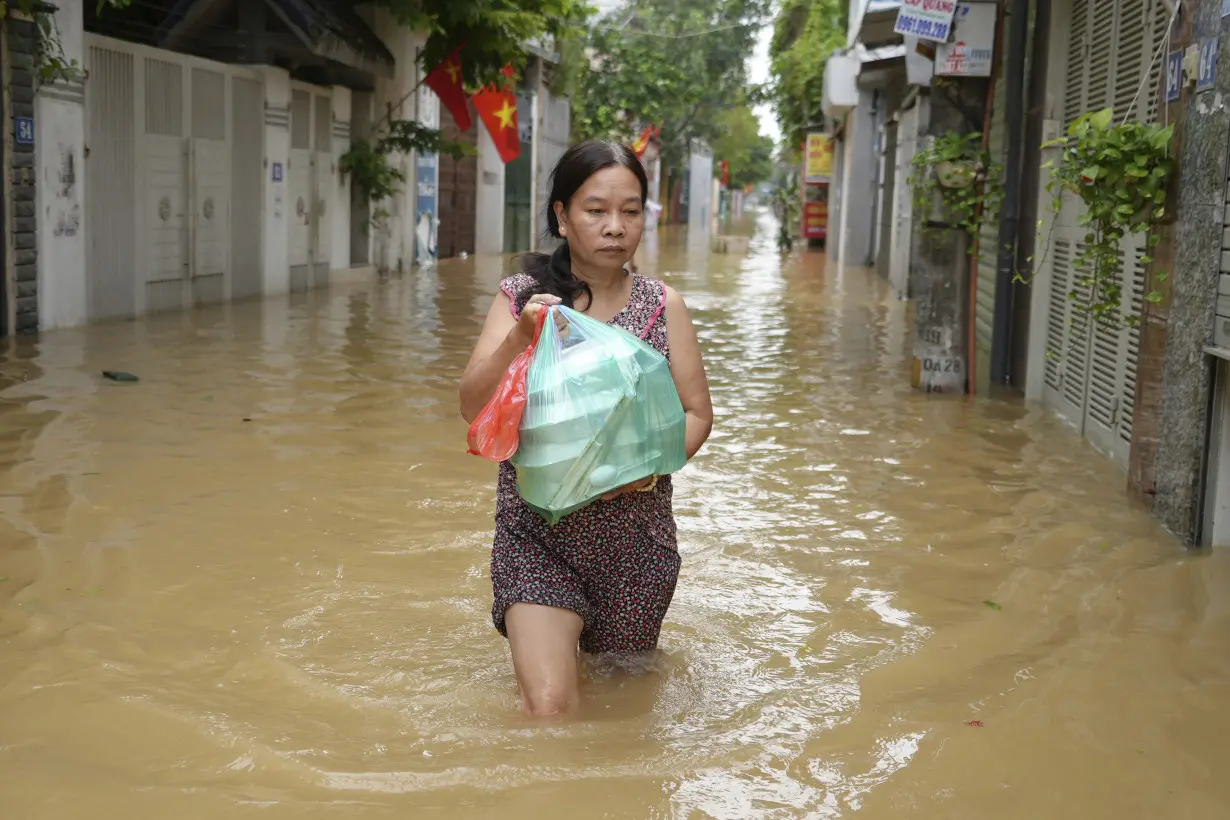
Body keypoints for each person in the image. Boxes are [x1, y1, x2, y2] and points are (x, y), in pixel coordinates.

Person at [459, 140, 714, 717]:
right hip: (537, 533)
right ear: (561, 215)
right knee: (551, 705)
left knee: (621, 715)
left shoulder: (660, 304)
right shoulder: (524, 299)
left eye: (630, 211)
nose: (615, 226)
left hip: (634, 543)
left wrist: (643, 472)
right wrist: (521, 338)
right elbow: (473, 406)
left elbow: (697, 413)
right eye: (595, 210)